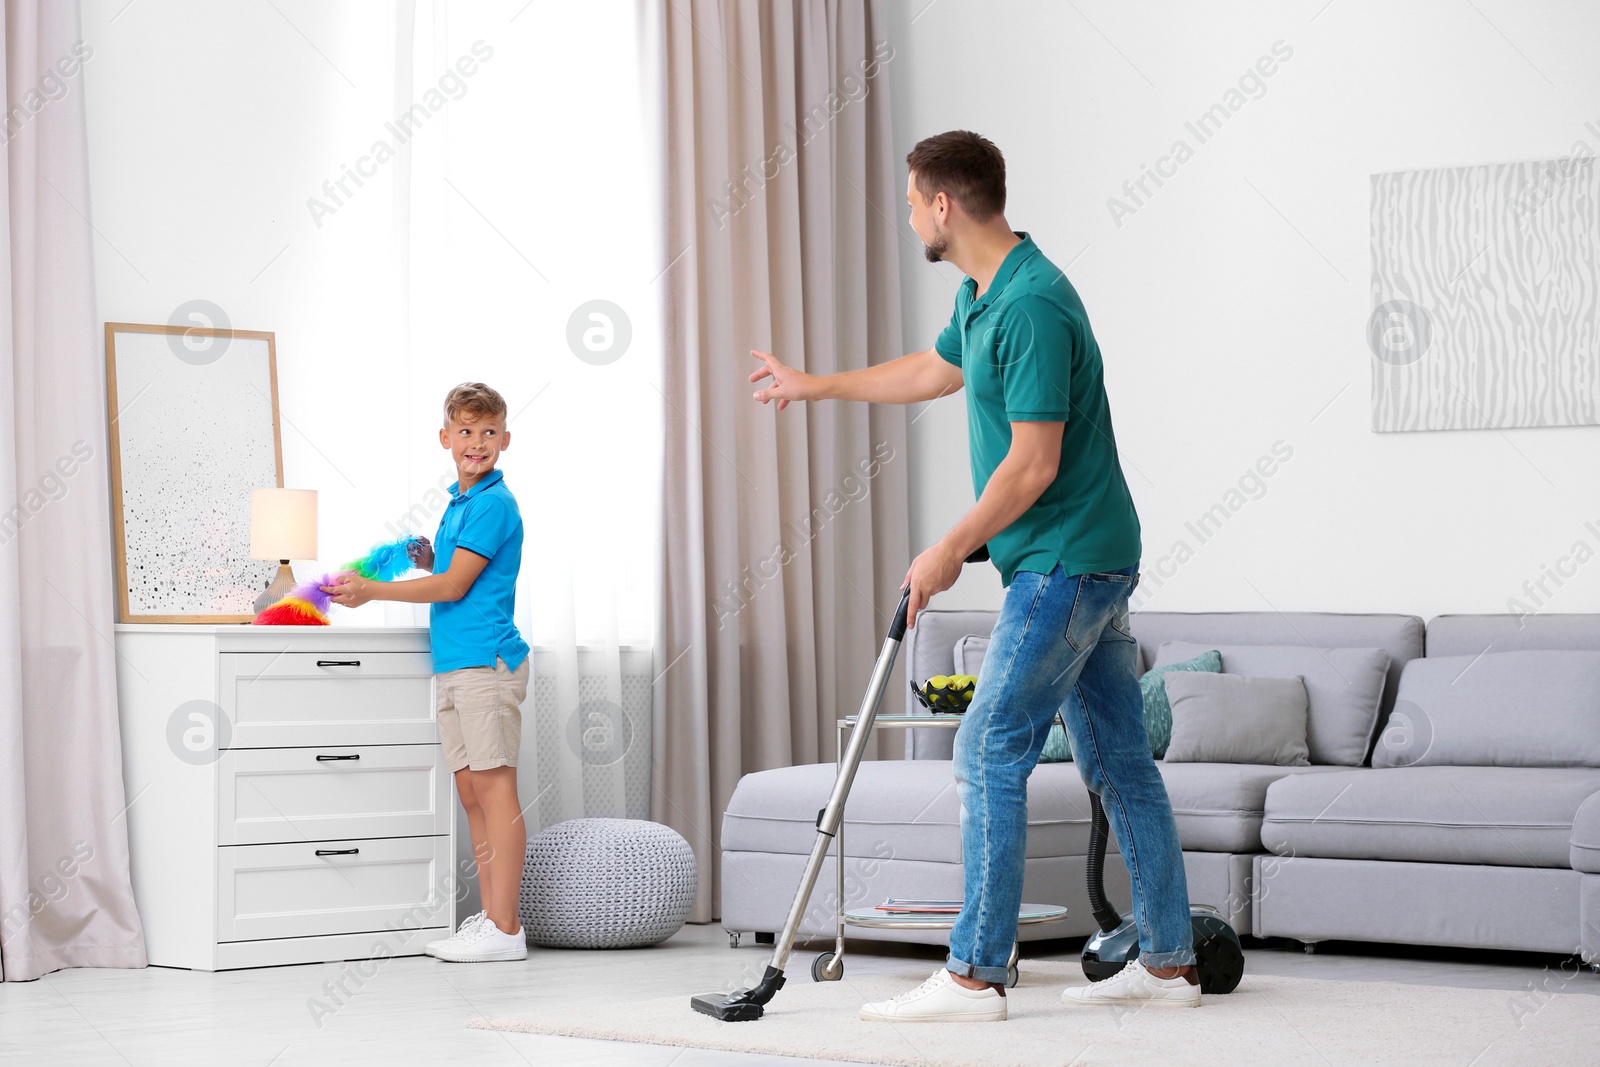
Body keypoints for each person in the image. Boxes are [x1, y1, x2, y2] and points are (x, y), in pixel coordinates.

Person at [748, 131, 1199, 1021]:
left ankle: (976, 972)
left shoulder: (1032, 306)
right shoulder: (986, 293)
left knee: (986, 748)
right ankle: (1171, 959)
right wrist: (816, 384)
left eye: (913, 200)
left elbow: (1032, 464)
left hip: (1065, 561)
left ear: (943, 205)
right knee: (1119, 761)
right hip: (1086, 556)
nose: (910, 213)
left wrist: (948, 546)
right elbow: (932, 369)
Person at [323, 381, 532, 964]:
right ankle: (494, 922)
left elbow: (455, 587)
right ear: (446, 438)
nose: (477, 442)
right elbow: (454, 571)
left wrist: (373, 590)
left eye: (489, 432)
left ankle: (506, 928)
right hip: (458, 664)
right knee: (471, 791)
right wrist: (426, 559)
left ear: (505, 440)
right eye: (466, 431)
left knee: (494, 788)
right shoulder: (462, 502)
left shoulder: (492, 502)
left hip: (485, 663)